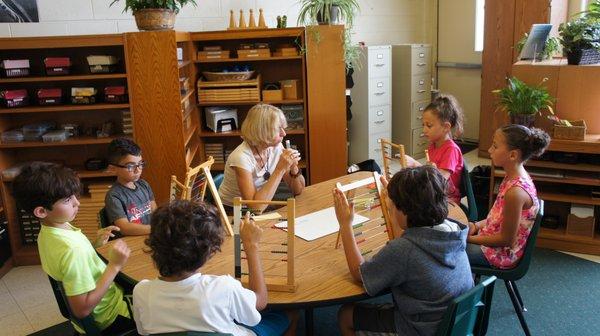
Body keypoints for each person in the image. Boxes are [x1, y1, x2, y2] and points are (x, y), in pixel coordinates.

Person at [333, 165, 473, 335]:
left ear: (405, 211)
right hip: (454, 323)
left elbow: (359, 273)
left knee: (346, 315)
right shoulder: (452, 230)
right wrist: (393, 197)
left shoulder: (403, 250)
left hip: (419, 329)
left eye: (393, 206)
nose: (390, 208)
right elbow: (408, 232)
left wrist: (345, 224)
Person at [133, 200, 296, 335]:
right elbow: (260, 301)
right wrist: (251, 246)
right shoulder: (223, 287)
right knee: (290, 311)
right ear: (209, 253)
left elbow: (144, 332)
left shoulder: (141, 291)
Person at [12, 162, 134, 334]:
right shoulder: (71, 250)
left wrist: (94, 244)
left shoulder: (50, 232)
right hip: (112, 317)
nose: (78, 203)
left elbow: (70, 266)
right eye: (68, 200)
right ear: (41, 211)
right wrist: (114, 265)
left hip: (100, 310)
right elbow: (82, 309)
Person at [467, 125, 550, 269]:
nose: (489, 150)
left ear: (513, 155)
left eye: (495, 146)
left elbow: (506, 240)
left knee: (443, 251)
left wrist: (468, 239)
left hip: (500, 254)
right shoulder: (512, 177)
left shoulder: (515, 192)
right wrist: (476, 225)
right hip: (491, 242)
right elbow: (497, 218)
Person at [218, 104, 305, 212]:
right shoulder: (241, 157)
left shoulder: (276, 147)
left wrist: (293, 167)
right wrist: (280, 169)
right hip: (233, 211)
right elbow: (256, 208)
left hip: (261, 202)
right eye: (278, 129)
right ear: (262, 131)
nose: (284, 133)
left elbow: (298, 191)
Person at [404, 94, 465, 204]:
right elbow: (431, 173)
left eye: (429, 125)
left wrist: (418, 166)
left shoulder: (451, 150)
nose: (424, 130)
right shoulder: (433, 145)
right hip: (434, 193)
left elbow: (439, 180)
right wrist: (414, 164)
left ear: (446, 127)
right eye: (423, 125)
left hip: (446, 199)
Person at [105, 137, 156, 235]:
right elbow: (124, 228)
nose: (138, 170)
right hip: (130, 242)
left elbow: (155, 212)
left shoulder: (144, 185)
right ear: (113, 169)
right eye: (130, 166)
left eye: (140, 164)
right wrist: (155, 229)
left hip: (147, 236)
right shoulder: (114, 196)